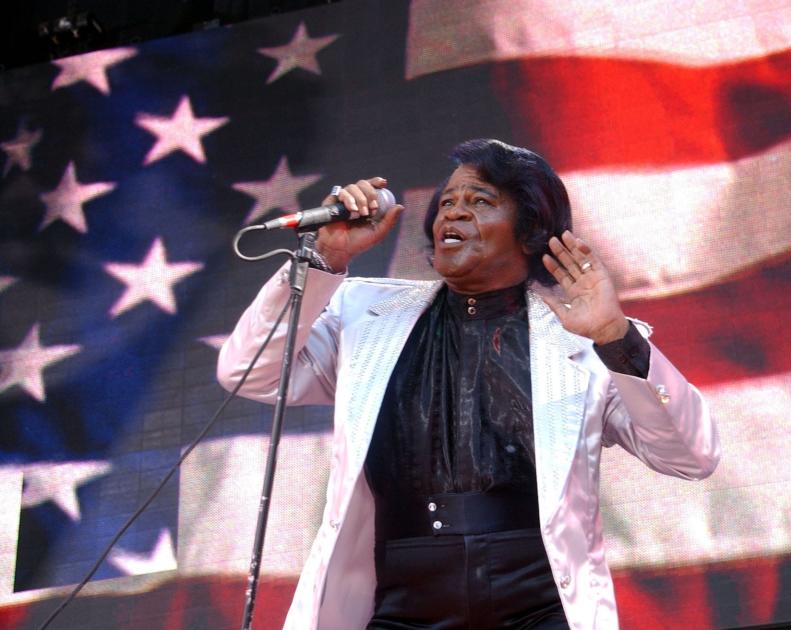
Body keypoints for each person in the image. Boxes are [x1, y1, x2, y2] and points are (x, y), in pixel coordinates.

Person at [218, 139, 719, 629]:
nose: (453, 214)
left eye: (479, 201)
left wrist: (615, 337)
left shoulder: (584, 345)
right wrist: (325, 262)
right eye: (448, 203)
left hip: (537, 598)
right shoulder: (366, 317)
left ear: (530, 232)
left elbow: (691, 456)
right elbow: (247, 370)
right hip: (401, 596)